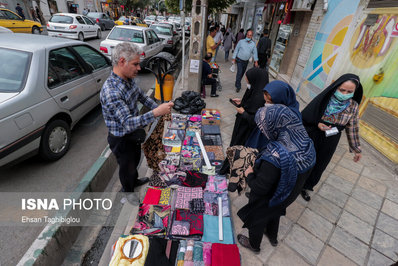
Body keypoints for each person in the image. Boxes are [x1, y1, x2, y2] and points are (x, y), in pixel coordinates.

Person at [237, 80, 316, 252]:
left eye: (264, 126)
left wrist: (250, 173)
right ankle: (272, 236)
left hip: (270, 193)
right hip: (285, 194)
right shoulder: (304, 141)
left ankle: (254, 244)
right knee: (274, 213)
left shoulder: (274, 156)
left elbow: (259, 187)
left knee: (257, 217)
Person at [100, 42, 174, 192]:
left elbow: (141, 96)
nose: (139, 68)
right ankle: (128, 190)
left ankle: (134, 180)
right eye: (135, 64)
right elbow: (127, 123)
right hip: (121, 139)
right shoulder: (111, 91)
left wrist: (157, 107)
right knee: (126, 166)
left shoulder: (128, 79)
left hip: (133, 133)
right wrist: (156, 112)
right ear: (122, 61)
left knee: (135, 160)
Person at [300, 73, 363, 201]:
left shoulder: (353, 106)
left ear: (355, 91)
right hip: (314, 133)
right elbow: (308, 114)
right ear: (336, 87)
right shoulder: (326, 98)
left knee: (320, 164)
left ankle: (306, 186)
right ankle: (292, 181)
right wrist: (318, 123)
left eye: (349, 91)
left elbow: (352, 127)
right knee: (302, 158)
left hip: (331, 139)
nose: (345, 93)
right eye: (342, 90)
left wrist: (356, 148)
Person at [229, 67, 268, 146]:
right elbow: (249, 103)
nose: (247, 83)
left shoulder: (261, 99)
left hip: (247, 132)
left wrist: (243, 113)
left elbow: (256, 121)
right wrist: (241, 102)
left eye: (248, 81)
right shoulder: (255, 89)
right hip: (241, 127)